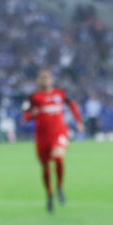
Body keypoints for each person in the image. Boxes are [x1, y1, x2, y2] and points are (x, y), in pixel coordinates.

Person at [22, 69, 83, 212]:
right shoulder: (33, 97)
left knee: (58, 158)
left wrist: (79, 121)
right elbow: (24, 115)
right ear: (38, 81)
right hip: (43, 137)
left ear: (51, 79)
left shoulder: (60, 93)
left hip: (59, 132)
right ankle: (49, 195)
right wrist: (32, 114)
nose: (45, 80)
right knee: (45, 167)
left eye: (47, 78)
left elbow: (72, 105)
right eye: (42, 78)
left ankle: (60, 187)